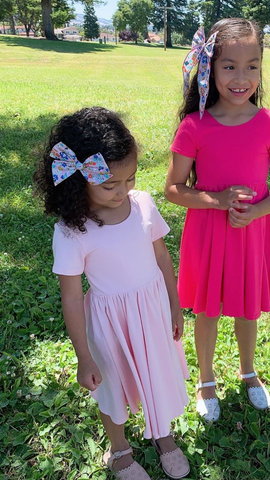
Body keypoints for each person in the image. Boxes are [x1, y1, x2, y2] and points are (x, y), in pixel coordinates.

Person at [34, 107, 190, 480]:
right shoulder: (73, 231)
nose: (123, 191)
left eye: (130, 179)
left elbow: (160, 256)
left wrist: (174, 303)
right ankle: (119, 448)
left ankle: (162, 434)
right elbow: (71, 297)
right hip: (109, 323)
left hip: (151, 310)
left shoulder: (144, 205)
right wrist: (83, 356)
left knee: (156, 372)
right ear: (78, 181)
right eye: (110, 185)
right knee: (112, 387)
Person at [165, 18, 270, 423]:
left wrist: (256, 210)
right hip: (207, 234)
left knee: (246, 309)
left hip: (251, 234)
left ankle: (248, 370)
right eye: (229, 66)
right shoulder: (195, 126)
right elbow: (173, 188)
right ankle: (205, 379)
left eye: (252, 66)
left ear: (261, 68)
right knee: (206, 310)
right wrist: (217, 200)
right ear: (209, 68)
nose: (242, 77)